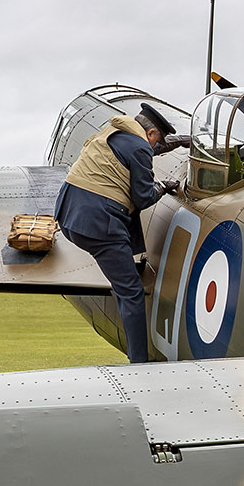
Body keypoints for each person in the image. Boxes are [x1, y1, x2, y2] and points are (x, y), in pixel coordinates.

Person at [54, 103, 180, 363]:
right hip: (99, 226)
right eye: (159, 140)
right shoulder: (141, 147)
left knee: (123, 276)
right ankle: (139, 363)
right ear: (152, 133)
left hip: (69, 216)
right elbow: (143, 198)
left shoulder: (111, 132)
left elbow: (133, 153)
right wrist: (164, 187)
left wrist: (173, 144)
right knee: (131, 292)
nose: (157, 147)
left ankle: (124, 269)